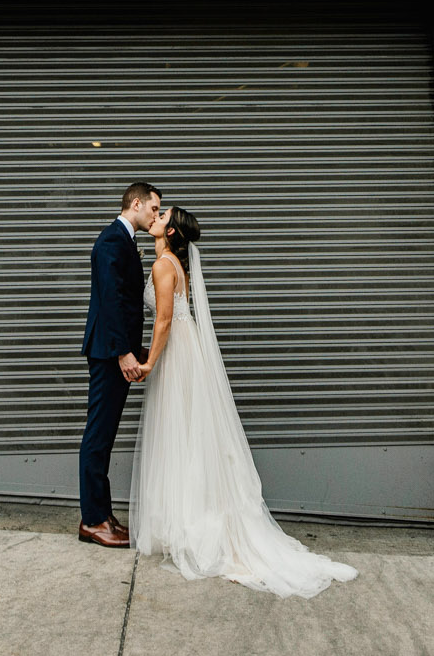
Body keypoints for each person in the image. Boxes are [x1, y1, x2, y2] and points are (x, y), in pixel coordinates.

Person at [130, 204, 357, 598]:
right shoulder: (169, 263)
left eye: (162, 215)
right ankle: (184, 520)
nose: (156, 216)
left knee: (181, 436)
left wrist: (149, 362)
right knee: (188, 436)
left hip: (175, 354)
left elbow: (164, 319)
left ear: (171, 233)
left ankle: (191, 526)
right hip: (185, 350)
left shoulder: (164, 266)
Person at [77, 181, 157, 548]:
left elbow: (123, 302)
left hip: (116, 349)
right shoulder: (112, 240)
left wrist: (134, 348)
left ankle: (102, 513)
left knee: (105, 436)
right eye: (154, 209)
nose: (155, 215)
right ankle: (93, 520)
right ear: (136, 204)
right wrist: (123, 352)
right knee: (98, 435)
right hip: (109, 353)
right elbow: (109, 301)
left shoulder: (123, 240)